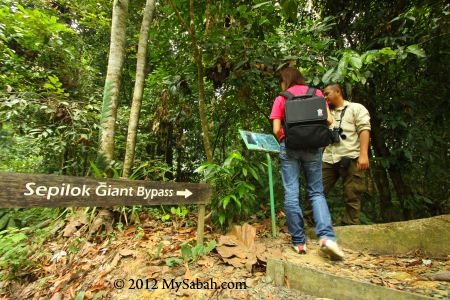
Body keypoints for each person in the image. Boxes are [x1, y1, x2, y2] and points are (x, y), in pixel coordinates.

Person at [269, 67, 344, 260]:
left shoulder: (281, 98)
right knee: (317, 192)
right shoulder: (316, 93)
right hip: (313, 148)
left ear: (285, 81)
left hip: (290, 147)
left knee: (291, 193)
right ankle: (326, 238)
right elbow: (328, 119)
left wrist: (288, 137)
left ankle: (299, 242)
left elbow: (277, 129)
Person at [308, 83, 371, 225]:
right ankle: (308, 223)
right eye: (323, 94)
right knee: (317, 190)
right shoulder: (324, 112)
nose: (324, 97)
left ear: (338, 92)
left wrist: (364, 155)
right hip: (328, 157)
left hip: (351, 156)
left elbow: (364, 129)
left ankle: (350, 225)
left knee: (352, 194)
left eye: (327, 93)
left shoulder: (356, 108)